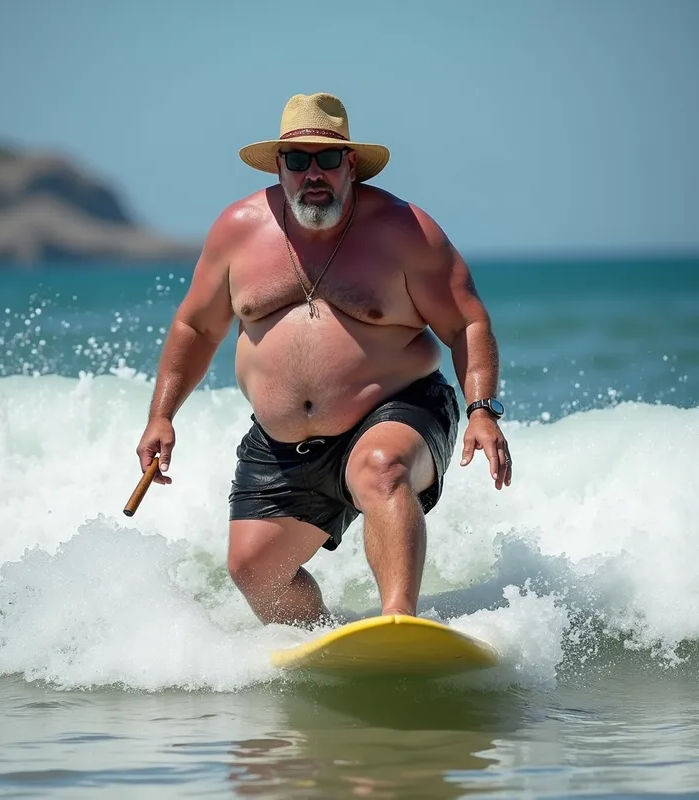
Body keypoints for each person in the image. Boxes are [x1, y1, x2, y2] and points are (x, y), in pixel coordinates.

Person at [136, 92, 512, 628]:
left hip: (398, 407)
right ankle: (321, 642)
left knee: (380, 469)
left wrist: (482, 410)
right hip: (284, 443)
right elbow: (195, 326)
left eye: (328, 159)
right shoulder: (238, 230)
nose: (313, 173)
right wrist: (162, 415)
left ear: (350, 164)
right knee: (253, 570)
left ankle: (400, 625)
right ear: (279, 166)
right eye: (297, 160)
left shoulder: (405, 230)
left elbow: (466, 322)